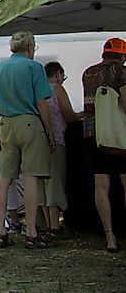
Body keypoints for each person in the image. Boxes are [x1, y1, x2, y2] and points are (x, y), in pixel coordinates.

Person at [0, 31, 56, 250]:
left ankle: (0, 231)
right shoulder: (33, 67)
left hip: (6, 125)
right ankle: (31, 232)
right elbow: (41, 102)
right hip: (29, 124)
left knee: (5, 178)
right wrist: (49, 131)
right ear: (29, 47)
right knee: (31, 177)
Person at [81, 37, 126, 253]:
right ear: (122, 56)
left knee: (101, 185)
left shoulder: (88, 73)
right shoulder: (120, 72)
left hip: (93, 134)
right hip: (119, 136)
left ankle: (109, 236)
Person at [42, 62, 81, 233]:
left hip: (39, 140)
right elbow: (68, 114)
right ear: (58, 74)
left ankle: (45, 223)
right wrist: (80, 115)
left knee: (42, 182)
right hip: (56, 139)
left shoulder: (38, 90)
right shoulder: (56, 89)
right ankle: (55, 225)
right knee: (55, 181)